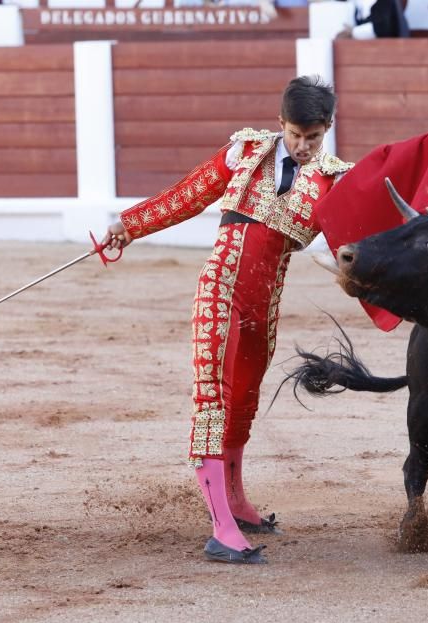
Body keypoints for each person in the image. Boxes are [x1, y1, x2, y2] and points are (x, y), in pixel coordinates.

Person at [101, 76, 352, 565]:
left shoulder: (334, 179)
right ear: (281, 124)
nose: (303, 146)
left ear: (327, 130)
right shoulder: (246, 152)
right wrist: (128, 226)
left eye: (314, 137)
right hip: (220, 292)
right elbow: (188, 195)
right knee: (213, 400)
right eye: (297, 135)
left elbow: (358, 242)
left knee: (243, 402)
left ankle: (236, 504)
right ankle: (220, 527)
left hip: (265, 305)